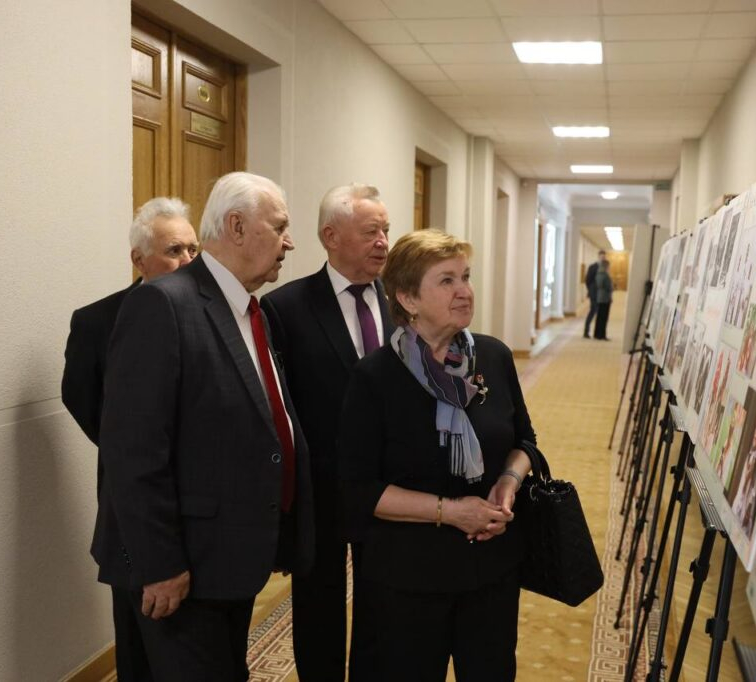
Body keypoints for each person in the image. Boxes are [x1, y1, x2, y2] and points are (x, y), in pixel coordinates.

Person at [92, 172, 315, 681]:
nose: (289, 242)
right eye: (280, 227)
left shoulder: (252, 311)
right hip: (181, 568)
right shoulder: (163, 304)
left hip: (229, 558)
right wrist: (161, 565)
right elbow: (134, 452)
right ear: (236, 227)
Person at [338, 229, 535, 681]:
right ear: (408, 298)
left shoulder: (494, 357)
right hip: (409, 576)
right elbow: (359, 490)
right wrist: (452, 511)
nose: (465, 291)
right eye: (447, 281)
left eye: (466, 277)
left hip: (492, 567)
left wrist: (508, 483)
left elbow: (525, 441)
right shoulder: (375, 377)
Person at [259, 183, 394, 681]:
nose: (383, 242)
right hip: (319, 488)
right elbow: (280, 408)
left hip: (388, 486)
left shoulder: (402, 301)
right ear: (331, 237)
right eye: (371, 231)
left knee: (383, 604)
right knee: (319, 609)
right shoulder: (285, 307)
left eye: (386, 230)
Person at [61, 197, 198, 681]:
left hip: (202, 513)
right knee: (140, 648)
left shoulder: (212, 313)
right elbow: (80, 398)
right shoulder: (98, 320)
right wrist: (132, 449)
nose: (188, 261)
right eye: (174, 251)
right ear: (139, 260)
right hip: (133, 509)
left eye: (193, 250)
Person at [584, 249, 607, 338]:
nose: (603, 258)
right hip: (594, 293)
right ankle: (586, 331)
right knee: (593, 311)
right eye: (601, 257)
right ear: (598, 257)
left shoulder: (605, 267)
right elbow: (587, 280)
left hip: (601, 294)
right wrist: (591, 290)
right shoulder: (593, 267)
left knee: (600, 313)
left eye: (604, 257)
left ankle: (597, 333)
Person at [593, 259, 614, 341]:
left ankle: (597, 334)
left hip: (599, 296)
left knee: (599, 317)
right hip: (605, 298)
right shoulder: (605, 275)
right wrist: (612, 287)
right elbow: (608, 287)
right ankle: (602, 335)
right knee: (604, 317)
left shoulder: (598, 274)